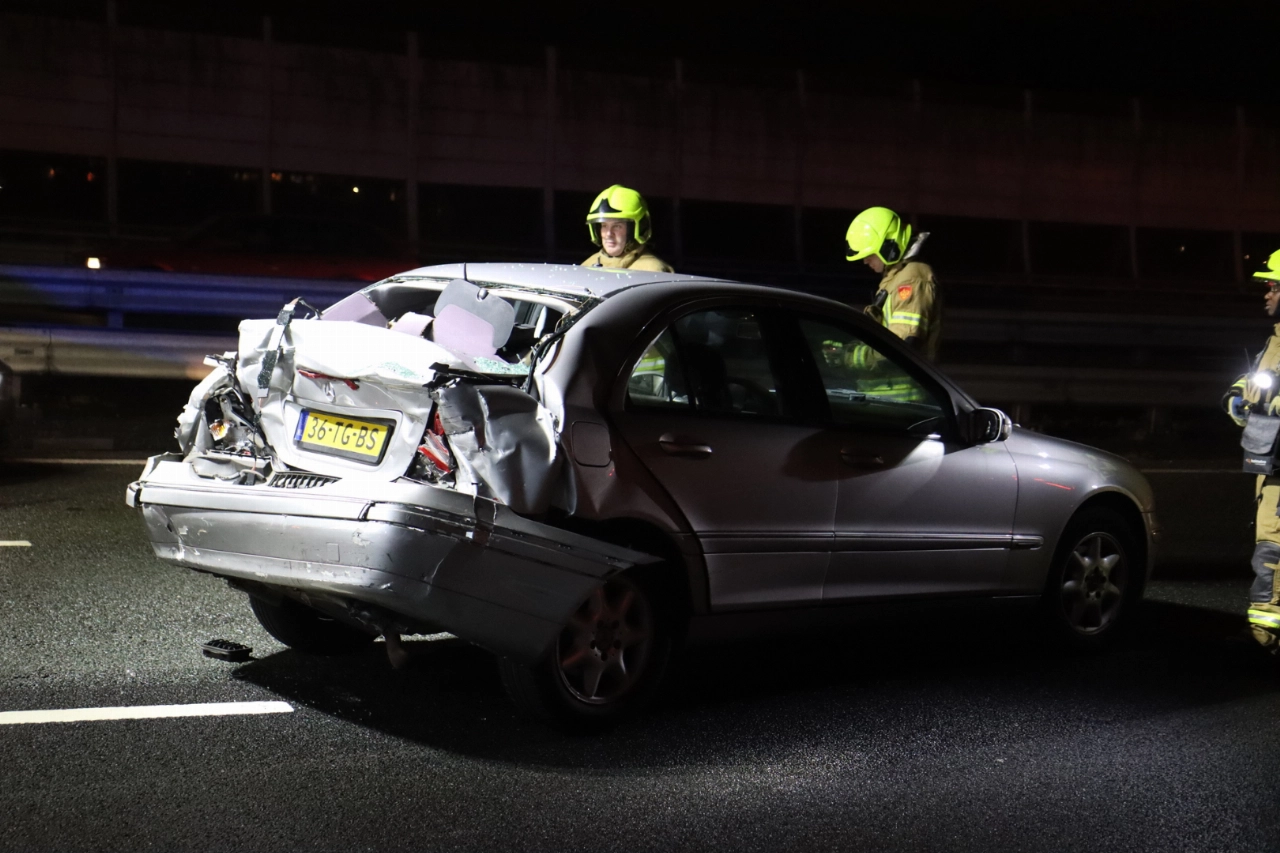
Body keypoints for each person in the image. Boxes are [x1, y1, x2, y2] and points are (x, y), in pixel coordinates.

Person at [1223, 248, 1280, 656]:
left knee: (1273, 545)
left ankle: (1265, 636)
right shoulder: (1275, 340)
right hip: (1272, 460)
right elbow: (1256, 381)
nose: (1266, 293)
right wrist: (1238, 395)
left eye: (1274, 286)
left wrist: (1271, 399)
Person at [841, 206, 941, 364]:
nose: (865, 261)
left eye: (869, 254)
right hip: (886, 385)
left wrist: (848, 358)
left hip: (901, 387)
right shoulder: (896, 277)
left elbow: (900, 346)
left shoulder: (912, 279)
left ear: (888, 247)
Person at [582, 185, 674, 272]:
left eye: (617, 226)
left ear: (635, 229)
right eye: (604, 226)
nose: (608, 234)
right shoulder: (587, 266)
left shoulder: (654, 271)